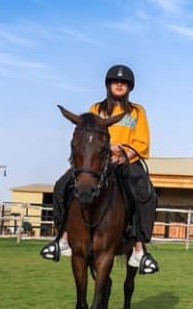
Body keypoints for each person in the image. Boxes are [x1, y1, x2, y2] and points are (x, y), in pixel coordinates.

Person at [39, 64, 160, 275]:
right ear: (108, 85)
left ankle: (140, 248)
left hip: (126, 162)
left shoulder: (137, 111)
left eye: (124, 82)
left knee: (145, 192)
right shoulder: (96, 109)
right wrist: (103, 150)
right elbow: (88, 136)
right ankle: (62, 238)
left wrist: (123, 153)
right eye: (115, 81)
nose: (119, 84)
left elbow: (142, 142)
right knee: (61, 186)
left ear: (129, 87)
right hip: (97, 162)